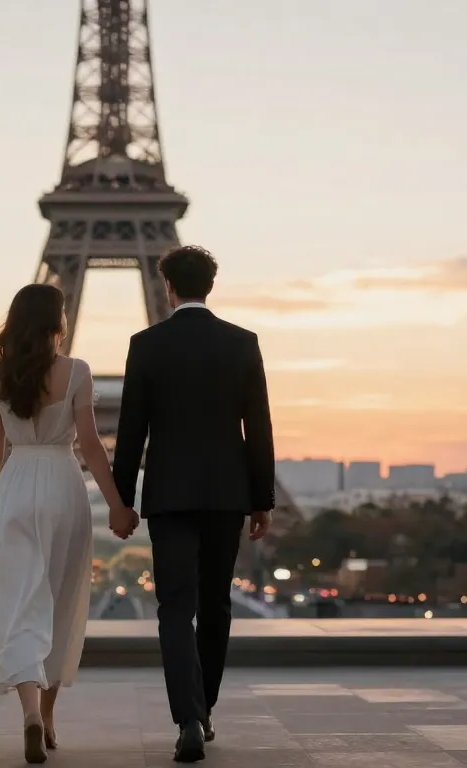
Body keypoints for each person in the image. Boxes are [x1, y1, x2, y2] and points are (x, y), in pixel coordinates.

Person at [0, 283, 139, 764]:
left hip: (14, 490)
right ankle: (51, 718)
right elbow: (92, 447)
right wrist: (118, 505)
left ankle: (32, 715)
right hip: (62, 485)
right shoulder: (76, 371)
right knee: (60, 601)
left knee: (19, 606)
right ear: (59, 322)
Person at [112, 244, 276, 763]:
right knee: (216, 606)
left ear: (168, 287)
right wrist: (261, 498)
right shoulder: (242, 343)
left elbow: (131, 432)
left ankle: (185, 717)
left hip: (170, 496)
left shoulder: (146, 344)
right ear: (211, 284)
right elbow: (260, 427)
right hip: (227, 494)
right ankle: (204, 711)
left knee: (174, 608)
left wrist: (122, 500)